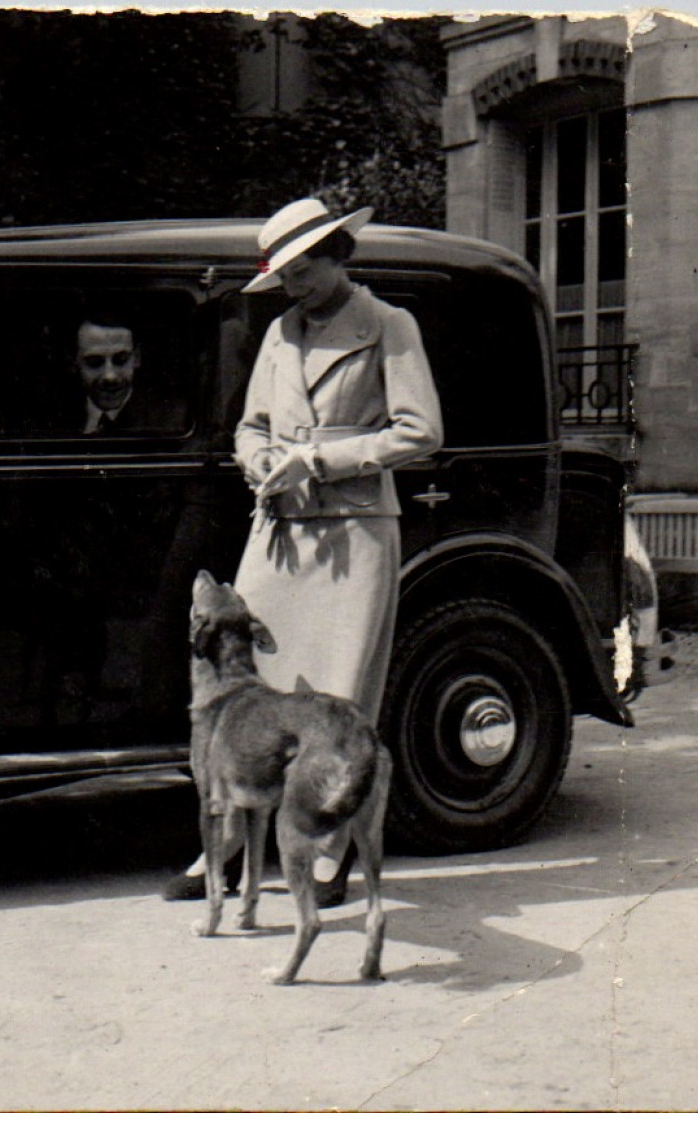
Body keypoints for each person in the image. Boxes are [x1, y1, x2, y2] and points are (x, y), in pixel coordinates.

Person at [164, 198, 444, 904]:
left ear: (340, 253)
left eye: (304, 268)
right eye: (282, 273)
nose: (293, 284)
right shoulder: (280, 334)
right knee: (254, 691)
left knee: (340, 696)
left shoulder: (388, 326)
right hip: (280, 533)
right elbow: (250, 426)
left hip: (355, 533)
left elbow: (421, 432)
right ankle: (223, 846)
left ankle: (329, 850)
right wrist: (260, 460)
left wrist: (321, 460)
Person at [72, 314, 185, 435]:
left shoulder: (173, 421)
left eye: (121, 360)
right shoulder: (55, 419)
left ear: (137, 358)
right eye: (94, 362)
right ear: (73, 363)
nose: (110, 376)